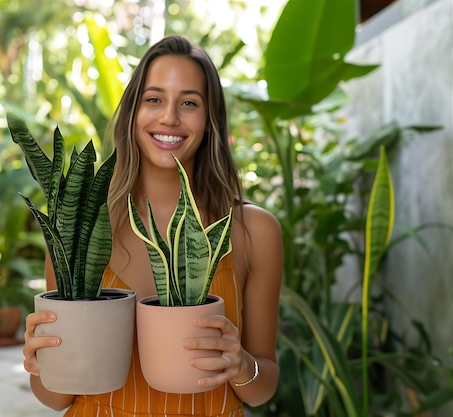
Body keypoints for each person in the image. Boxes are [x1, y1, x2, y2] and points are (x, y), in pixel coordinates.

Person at [23, 34, 283, 416]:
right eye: (154, 99)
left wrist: (243, 365)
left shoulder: (252, 230)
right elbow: (56, 398)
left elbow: (262, 388)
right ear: (133, 111)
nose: (169, 118)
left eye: (189, 103)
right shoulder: (78, 229)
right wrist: (40, 364)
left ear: (210, 119)